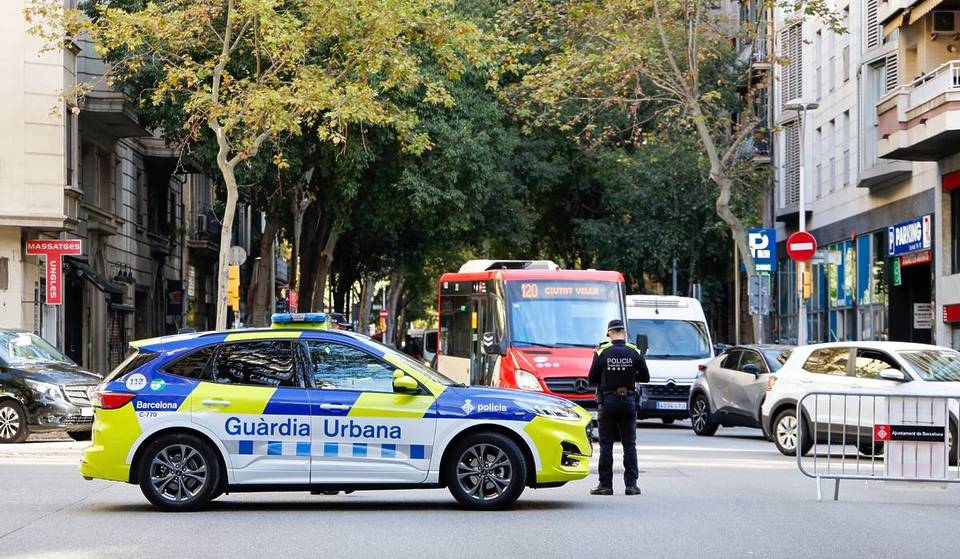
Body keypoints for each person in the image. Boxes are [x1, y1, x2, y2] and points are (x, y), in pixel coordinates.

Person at [587, 318, 649, 496]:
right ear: (624, 333)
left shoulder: (602, 351)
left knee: (606, 445)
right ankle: (631, 486)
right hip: (629, 400)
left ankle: (605, 485)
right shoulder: (634, 351)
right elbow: (645, 377)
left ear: (610, 333)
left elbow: (591, 378)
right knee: (629, 444)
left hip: (607, 402)